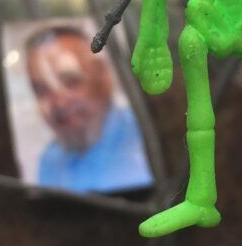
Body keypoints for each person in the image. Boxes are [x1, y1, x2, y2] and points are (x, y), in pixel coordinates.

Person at [25, 25, 153, 193]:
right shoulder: (50, 160)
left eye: (71, 81)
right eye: (42, 90)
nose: (59, 103)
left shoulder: (145, 135)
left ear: (103, 77)